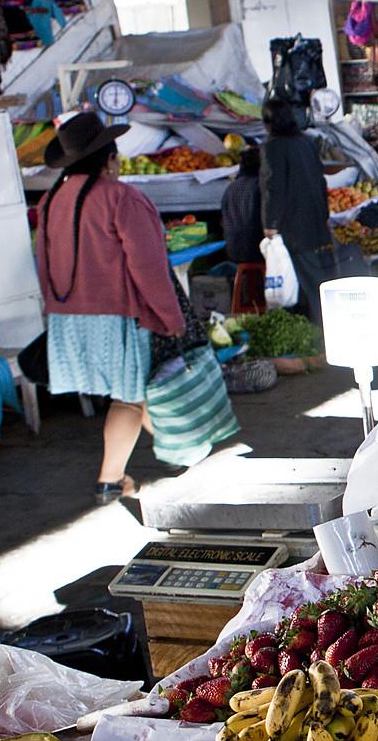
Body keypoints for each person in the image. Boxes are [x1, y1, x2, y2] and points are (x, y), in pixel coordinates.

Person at [35, 111, 185, 502]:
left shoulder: (52, 200)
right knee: (129, 398)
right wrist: (171, 317)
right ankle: (110, 480)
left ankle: (182, 451)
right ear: (109, 159)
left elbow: (42, 262)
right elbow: (148, 266)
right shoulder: (121, 197)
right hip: (117, 316)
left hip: (68, 318)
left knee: (136, 390)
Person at [259, 97, 331, 315]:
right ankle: (321, 325)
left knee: (303, 282)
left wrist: (270, 223)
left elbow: (274, 187)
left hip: (292, 225)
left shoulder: (273, 147)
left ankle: (322, 331)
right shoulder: (306, 142)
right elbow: (321, 180)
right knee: (313, 278)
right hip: (314, 220)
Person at [220, 146, 265, 315]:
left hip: (233, 251)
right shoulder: (260, 186)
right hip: (256, 250)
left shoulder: (230, 189)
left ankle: (253, 300)